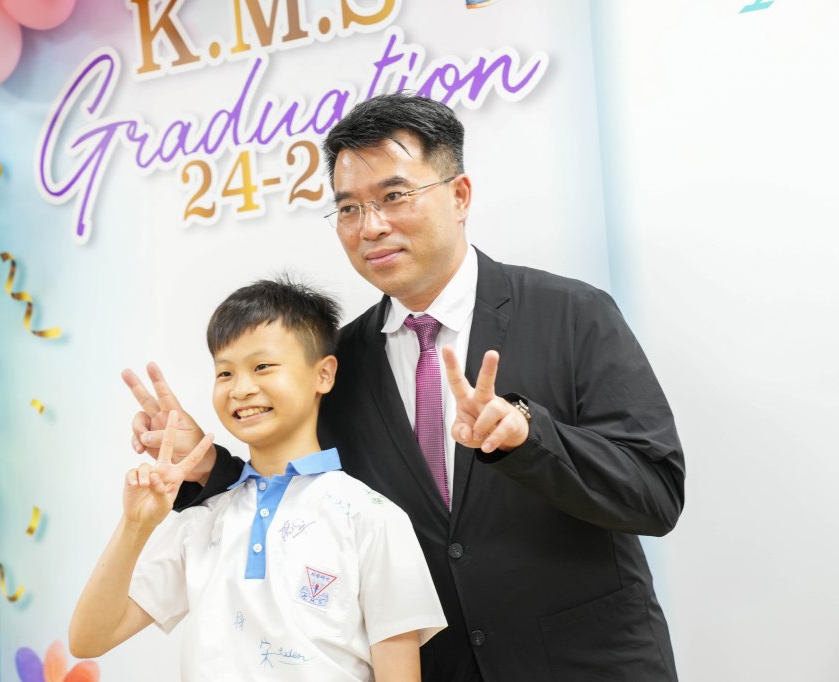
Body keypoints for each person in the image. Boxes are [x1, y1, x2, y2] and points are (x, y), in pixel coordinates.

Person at [129, 94, 685, 681]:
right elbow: (299, 495)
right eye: (349, 208)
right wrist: (205, 466)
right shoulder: (339, 364)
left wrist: (529, 437)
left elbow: (654, 494)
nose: (371, 226)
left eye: (394, 196)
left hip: (589, 665)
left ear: (460, 195)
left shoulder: (572, 314)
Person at [71, 278, 447, 681]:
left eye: (262, 366)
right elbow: (89, 640)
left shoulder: (372, 517)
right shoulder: (203, 519)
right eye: (225, 373)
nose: (241, 389)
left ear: (324, 374)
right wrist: (135, 525)